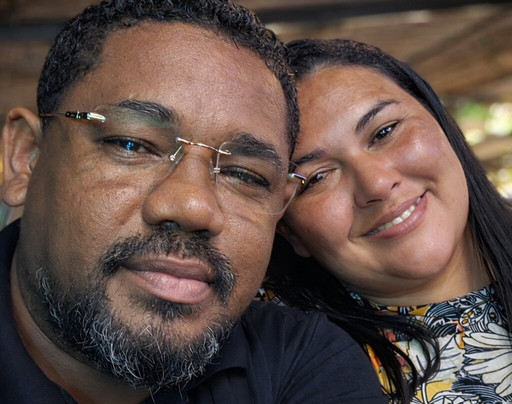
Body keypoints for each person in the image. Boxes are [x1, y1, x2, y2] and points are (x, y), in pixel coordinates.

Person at [0, 2, 387, 403]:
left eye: (245, 175)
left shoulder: (303, 362)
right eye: (132, 144)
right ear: (26, 157)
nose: (193, 206)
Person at [265, 37, 512, 404]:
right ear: (288, 229)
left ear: (439, 119)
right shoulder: (275, 361)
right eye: (317, 177)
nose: (377, 184)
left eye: (384, 131)